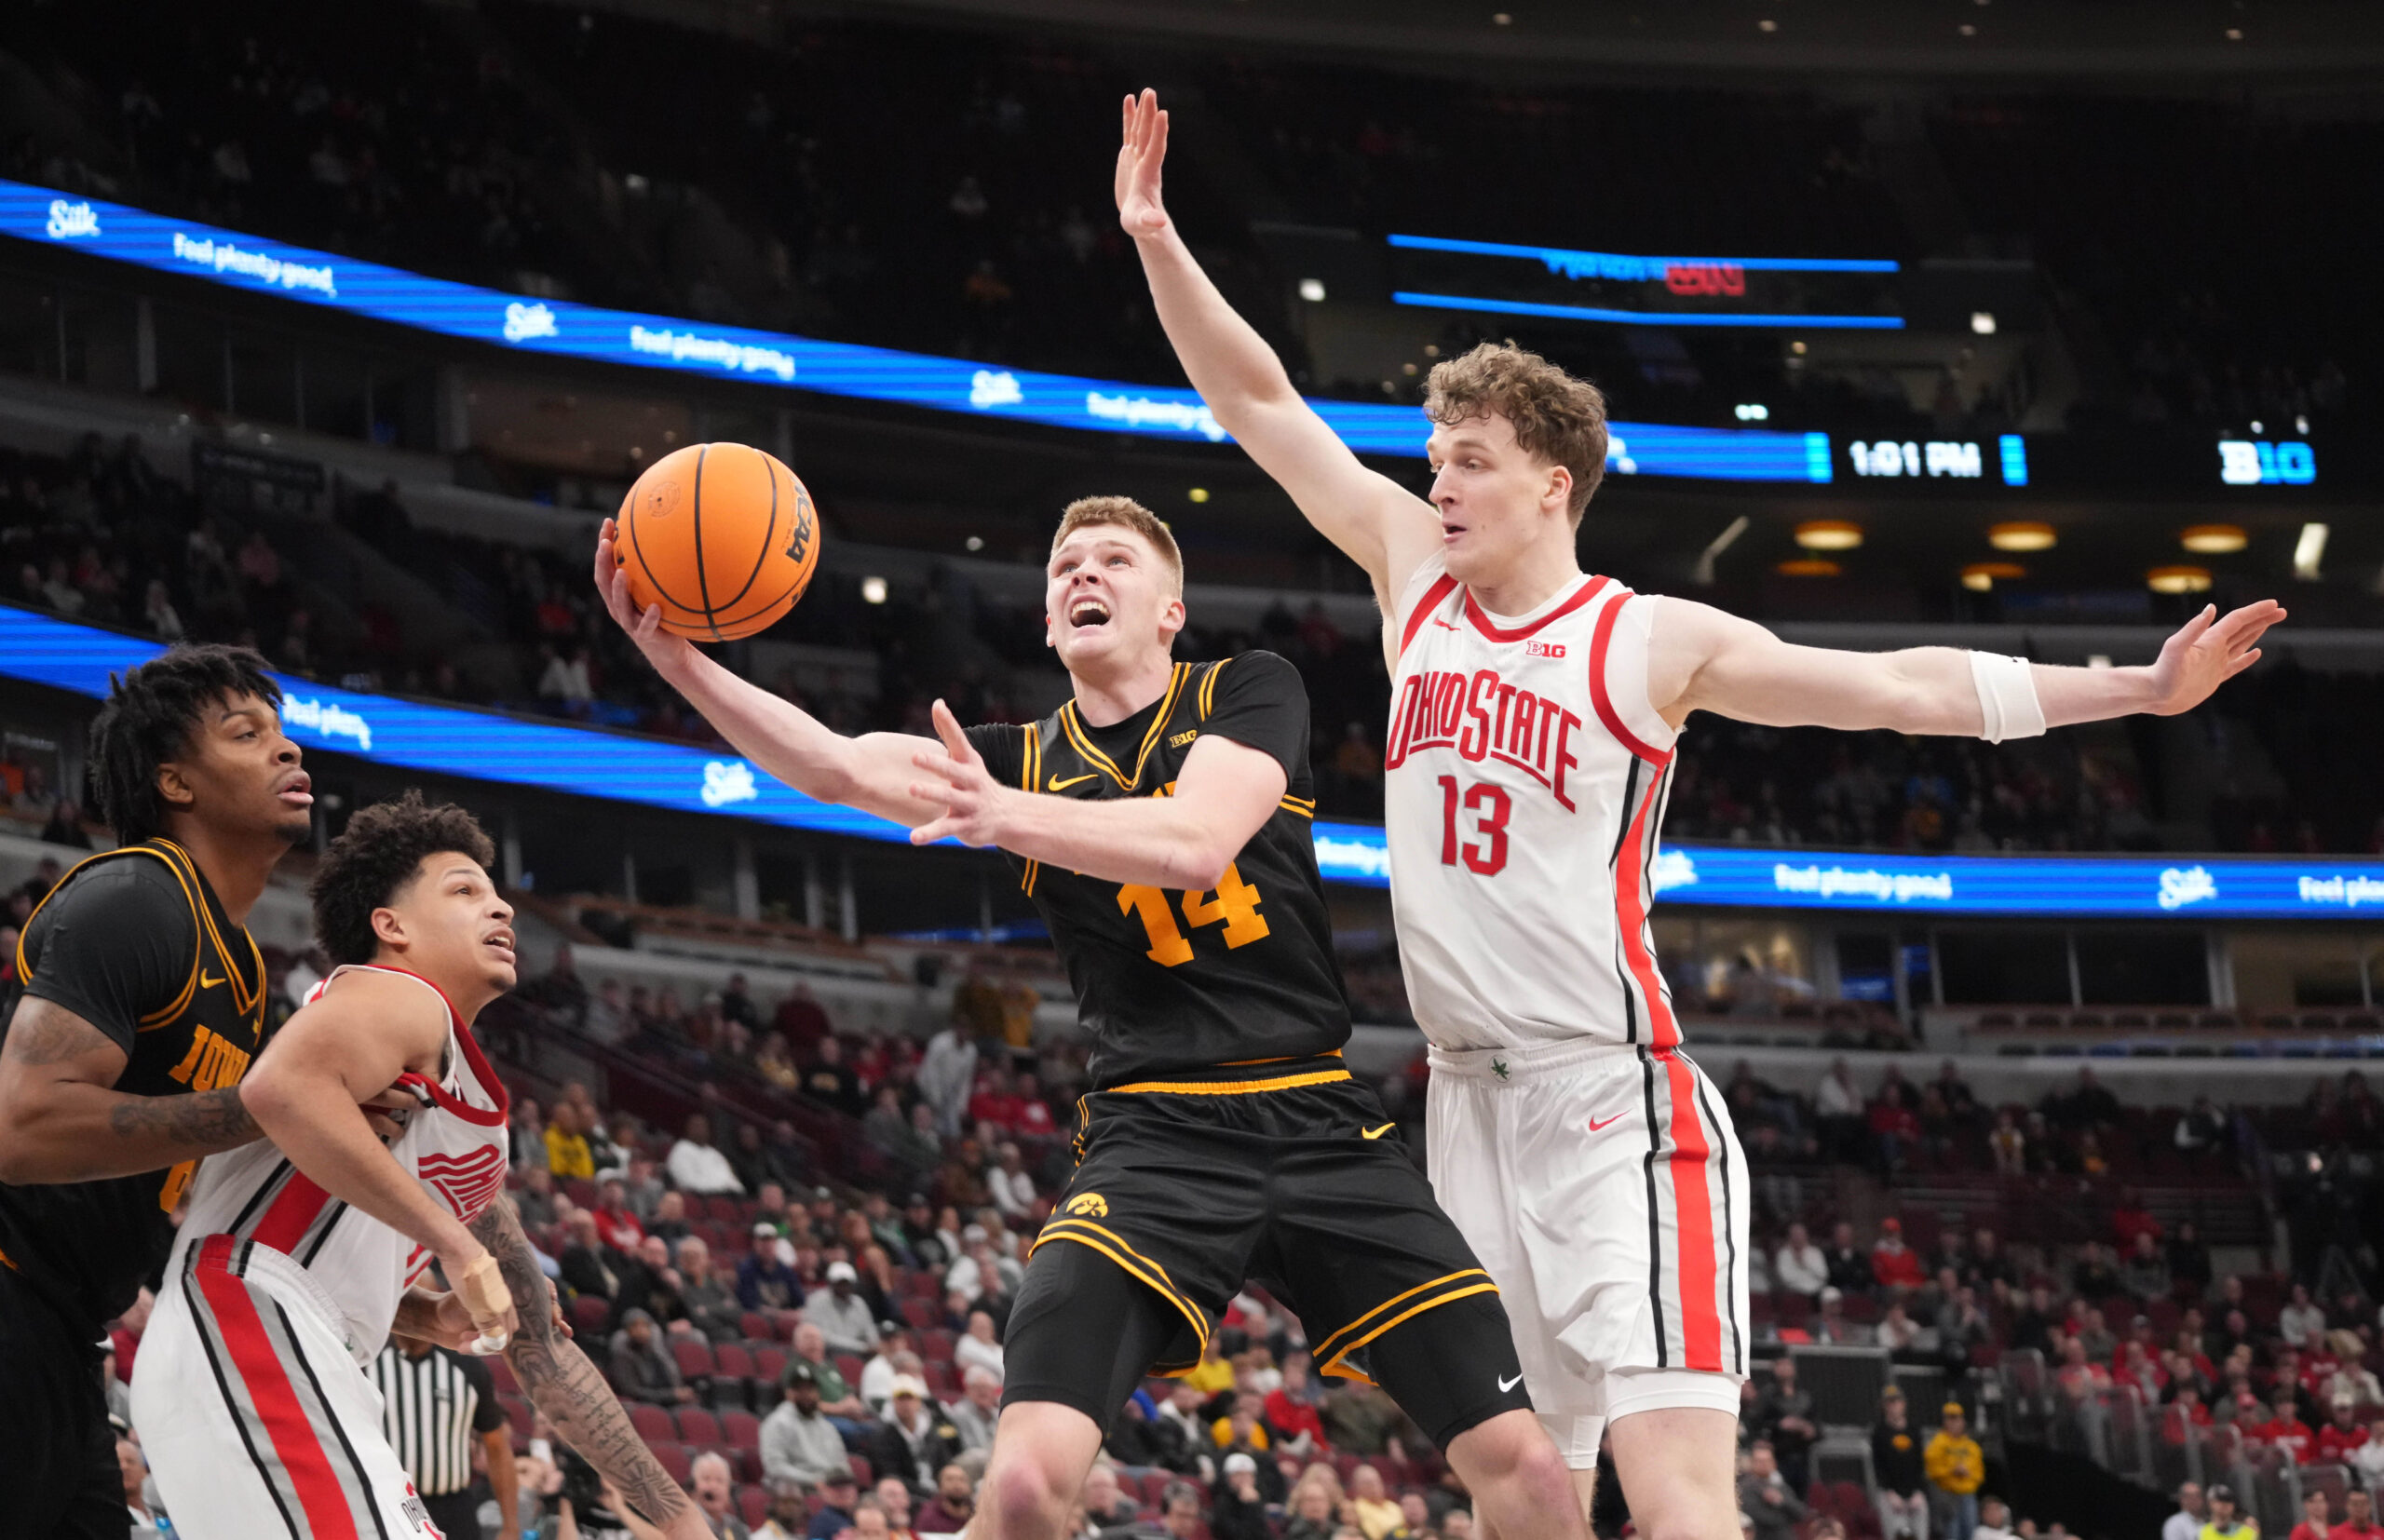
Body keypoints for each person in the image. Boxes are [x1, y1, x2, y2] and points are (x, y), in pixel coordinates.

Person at [1116, 85, 2283, 1540]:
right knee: (1522, 1491)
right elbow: (1263, 406)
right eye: (1434, 455)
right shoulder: (1411, 571)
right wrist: (1158, 235)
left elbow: (1895, 690)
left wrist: (2135, 693)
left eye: (1468, 457)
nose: (1437, 478)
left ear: (1553, 484)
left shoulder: (1646, 639)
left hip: (1616, 1104)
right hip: (1462, 1110)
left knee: (1674, 1501)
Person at [598, 481, 1577, 1534]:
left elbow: (1194, 841)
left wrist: (1001, 815)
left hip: (1320, 1120)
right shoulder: (1010, 761)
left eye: (1113, 560)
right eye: (1066, 568)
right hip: (1151, 1134)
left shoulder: (1248, 688)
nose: (1082, 575)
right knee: (1021, 1487)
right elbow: (834, 768)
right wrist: (675, 658)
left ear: (1169, 611)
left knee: (1527, 1470)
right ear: (1050, 621)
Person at [126, 790, 711, 1540]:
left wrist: (681, 1520)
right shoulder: (399, 997)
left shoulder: (453, 1102)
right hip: (248, 1318)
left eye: (498, 896)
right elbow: (281, 1089)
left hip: (293, 1346)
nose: (500, 911)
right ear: (390, 927)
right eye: (465, 891)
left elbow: (540, 1346)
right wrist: (456, 1245)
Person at [0, 645, 383, 1538]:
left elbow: (193, 1178)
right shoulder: (138, 897)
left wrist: (401, 1307)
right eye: (247, 735)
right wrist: (266, 1106)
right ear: (176, 781)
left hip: (65, 1335)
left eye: (285, 736)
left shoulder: (242, 967)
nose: (288, 753)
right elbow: (21, 1124)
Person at [372, 1333, 522, 1540]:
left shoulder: (469, 1369)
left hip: (453, 1509)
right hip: (390, 1507)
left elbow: (497, 1447)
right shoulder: (368, 1366)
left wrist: (511, 1526)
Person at [763, 1361, 853, 1489]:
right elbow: (775, 1468)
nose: (806, 1395)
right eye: (799, 1390)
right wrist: (814, 1481)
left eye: (810, 1389)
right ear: (789, 1393)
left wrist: (839, 1482)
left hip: (828, 1489)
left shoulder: (827, 1426)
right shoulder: (776, 1423)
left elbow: (841, 1463)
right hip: (795, 1490)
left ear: (818, 1393)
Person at [1871, 1387, 1930, 1540]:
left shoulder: (1914, 1430)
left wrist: (1918, 1491)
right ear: (1884, 1406)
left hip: (1914, 1493)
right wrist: (1890, 1493)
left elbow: (1920, 1464)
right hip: (1891, 1494)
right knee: (1896, 1534)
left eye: (1896, 1401)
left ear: (1903, 1404)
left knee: (1920, 1534)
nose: (1893, 1406)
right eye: (1889, 1402)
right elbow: (1878, 1466)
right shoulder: (1879, 1432)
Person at [1923, 1403, 1984, 1540]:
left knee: (1971, 1534)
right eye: (1950, 1419)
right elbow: (1931, 1471)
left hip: (1968, 1495)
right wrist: (1952, 1471)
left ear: (1963, 1421)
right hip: (1948, 1497)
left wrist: (1968, 1474)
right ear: (1944, 1421)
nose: (1954, 1423)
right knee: (1952, 1534)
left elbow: (1979, 1473)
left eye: (1957, 1418)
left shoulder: (1971, 1446)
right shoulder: (1937, 1444)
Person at [808, 1259, 883, 1356]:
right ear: (831, 1282)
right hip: (828, 1354)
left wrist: (874, 1345)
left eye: (847, 1283)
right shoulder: (817, 1301)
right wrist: (862, 1347)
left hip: (860, 1355)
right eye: (840, 1283)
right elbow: (824, 1337)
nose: (844, 1287)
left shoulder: (858, 1303)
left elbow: (870, 1331)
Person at [1736, 1441, 1806, 1540]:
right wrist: (1786, 1516)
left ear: (1774, 1463)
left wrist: (1781, 1500)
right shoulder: (1745, 1488)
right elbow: (1762, 1518)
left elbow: (1801, 1512)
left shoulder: (1780, 1486)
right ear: (1752, 1463)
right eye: (1759, 1461)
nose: (1764, 1464)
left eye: (1767, 1460)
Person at [669, 1114, 746, 1195]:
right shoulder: (681, 1150)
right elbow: (688, 1183)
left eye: (704, 1126)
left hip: (723, 1196)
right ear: (688, 1128)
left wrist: (735, 1189)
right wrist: (720, 1186)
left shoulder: (714, 1153)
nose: (701, 1130)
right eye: (697, 1126)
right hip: (700, 1198)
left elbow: (732, 1181)